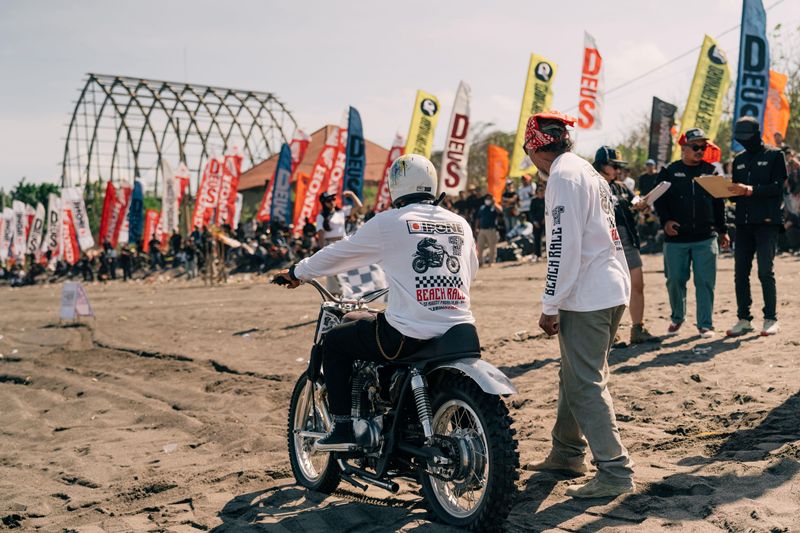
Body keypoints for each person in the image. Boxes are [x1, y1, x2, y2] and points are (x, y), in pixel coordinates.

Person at [275, 154, 478, 449]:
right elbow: (470, 270)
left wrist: (298, 272)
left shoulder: (389, 222)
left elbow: (340, 253)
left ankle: (344, 426)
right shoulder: (460, 222)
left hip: (409, 335)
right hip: (461, 331)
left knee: (335, 341)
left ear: (396, 185)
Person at [523, 111, 634, 499]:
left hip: (588, 294)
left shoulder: (563, 177)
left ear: (535, 149)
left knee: (585, 383)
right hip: (608, 286)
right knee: (575, 375)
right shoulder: (585, 170)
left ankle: (615, 470)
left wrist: (550, 303)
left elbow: (562, 245)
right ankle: (567, 453)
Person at [654, 128, 730, 338]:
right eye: (695, 146)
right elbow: (658, 200)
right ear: (683, 147)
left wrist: (723, 231)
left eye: (703, 147)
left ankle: (705, 324)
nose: (700, 151)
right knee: (675, 280)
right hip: (676, 239)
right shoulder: (669, 171)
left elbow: (719, 204)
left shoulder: (711, 171)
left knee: (705, 282)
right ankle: (677, 317)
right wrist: (665, 221)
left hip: (705, 238)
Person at [726, 117, 788, 337]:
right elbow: (736, 194)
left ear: (757, 134)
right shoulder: (738, 160)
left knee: (765, 271)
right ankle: (744, 319)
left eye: (746, 137)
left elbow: (777, 188)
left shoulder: (775, 155)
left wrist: (751, 190)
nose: (743, 141)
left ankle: (771, 318)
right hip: (743, 223)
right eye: (740, 138)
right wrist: (726, 191)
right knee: (740, 272)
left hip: (767, 223)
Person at [594, 147, 660, 344]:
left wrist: (642, 204)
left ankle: (637, 328)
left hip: (626, 238)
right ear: (601, 164)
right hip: (603, 242)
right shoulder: (590, 186)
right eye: (613, 166)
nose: (617, 170)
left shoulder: (621, 187)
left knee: (637, 284)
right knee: (607, 288)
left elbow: (635, 199)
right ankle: (608, 333)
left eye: (619, 167)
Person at [476, 194, 500, 266]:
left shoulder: (494, 207)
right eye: (487, 198)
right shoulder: (482, 207)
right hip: (482, 230)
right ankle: (480, 262)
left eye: (489, 199)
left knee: (492, 247)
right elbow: (478, 218)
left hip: (491, 230)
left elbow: (500, 210)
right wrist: (476, 228)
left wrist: (494, 203)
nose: (487, 200)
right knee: (479, 247)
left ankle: (491, 261)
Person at [529, 186, 546, 261]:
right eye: (540, 190)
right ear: (537, 192)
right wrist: (534, 221)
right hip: (537, 223)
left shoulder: (547, 199)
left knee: (549, 238)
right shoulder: (534, 201)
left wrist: (545, 219)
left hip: (546, 222)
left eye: (542, 190)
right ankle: (538, 255)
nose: (541, 192)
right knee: (537, 239)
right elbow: (531, 212)